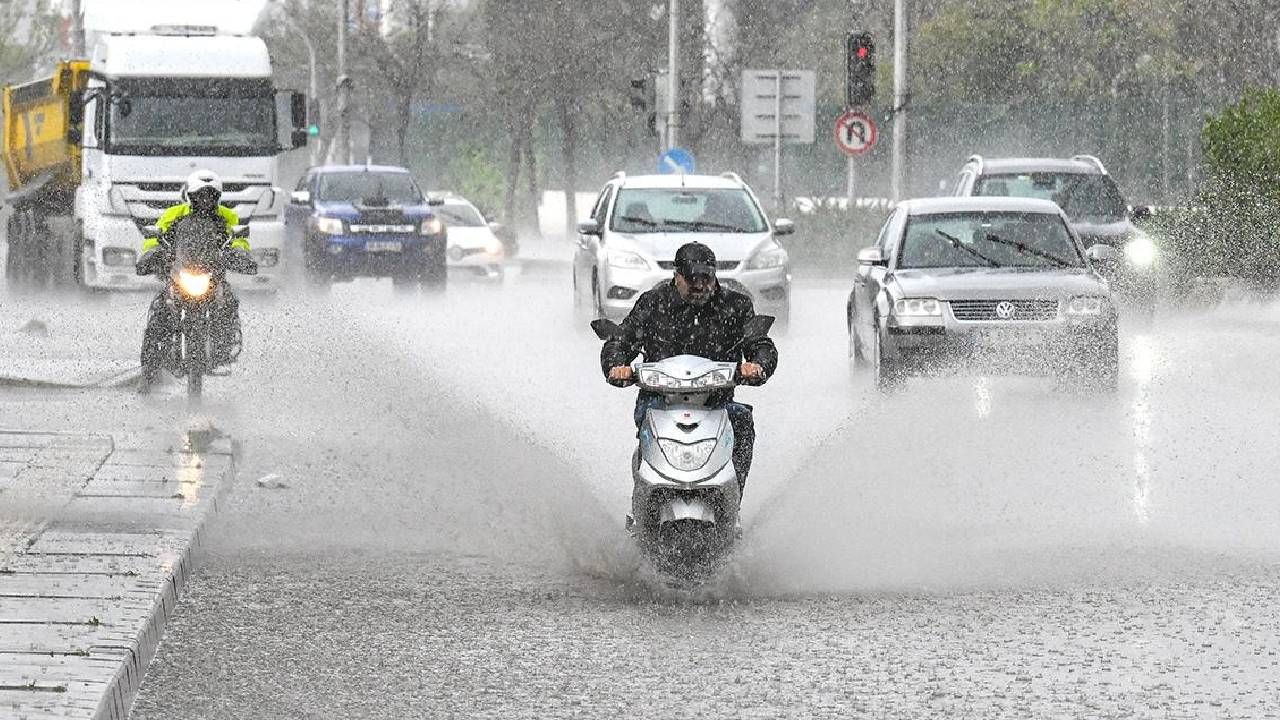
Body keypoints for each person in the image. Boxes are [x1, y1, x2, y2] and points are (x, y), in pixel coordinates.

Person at [600, 241, 778, 498]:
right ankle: (644, 498)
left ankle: (733, 497)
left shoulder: (735, 306)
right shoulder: (652, 303)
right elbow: (622, 339)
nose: (699, 286)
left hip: (717, 403)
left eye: (706, 279)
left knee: (741, 421)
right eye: (692, 279)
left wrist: (759, 364)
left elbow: (760, 343)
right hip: (658, 400)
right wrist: (617, 365)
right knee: (648, 419)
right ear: (676, 276)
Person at [138, 170, 249, 388]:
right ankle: (149, 369)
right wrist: (152, 254)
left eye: (210, 196)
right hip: (181, 272)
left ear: (217, 197)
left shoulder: (228, 217)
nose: (205, 200)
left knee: (228, 304)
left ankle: (223, 346)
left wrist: (241, 255)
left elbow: (239, 241)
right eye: (200, 196)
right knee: (160, 310)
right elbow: (155, 237)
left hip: (212, 275)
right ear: (190, 196)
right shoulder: (175, 214)